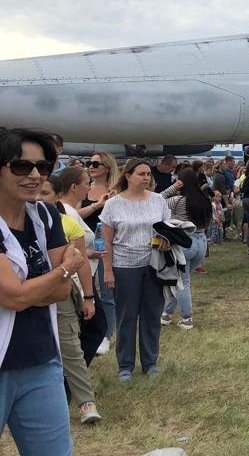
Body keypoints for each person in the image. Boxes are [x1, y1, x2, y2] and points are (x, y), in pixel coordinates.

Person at [0, 128, 81, 455]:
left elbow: (60, 293)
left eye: (43, 167)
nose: (34, 175)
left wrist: (45, 284)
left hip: (41, 360)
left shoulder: (45, 215)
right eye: (22, 167)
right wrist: (64, 269)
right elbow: (13, 296)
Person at [99, 158, 173, 382]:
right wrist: (108, 271)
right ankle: (125, 366)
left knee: (152, 315)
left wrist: (167, 241)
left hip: (153, 266)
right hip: (124, 267)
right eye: (141, 174)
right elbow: (107, 242)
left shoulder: (159, 200)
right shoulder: (113, 204)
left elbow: (168, 229)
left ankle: (150, 362)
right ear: (128, 176)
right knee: (126, 317)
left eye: (148, 174)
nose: (146, 177)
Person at [43, 170, 102, 425]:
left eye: (44, 193)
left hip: (61, 293)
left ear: (57, 196)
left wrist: (89, 296)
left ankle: (86, 402)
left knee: (70, 348)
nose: (37, 197)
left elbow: (82, 264)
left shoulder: (67, 223)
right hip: (25, 294)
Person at [160, 168, 212, 330]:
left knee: (181, 283)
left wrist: (171, 189)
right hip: (201, 242)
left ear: (180, 182)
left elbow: (156, 200)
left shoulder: (176, 200)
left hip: (183, 243)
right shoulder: (205, 200)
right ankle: (166, 314)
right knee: (183, 282)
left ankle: (186, 318)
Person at [79, 151, 118, 353]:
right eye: (90, 163)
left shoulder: (115, 191)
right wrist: (96, 205)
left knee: (106, 292)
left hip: (104, 244)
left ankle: (106, 334)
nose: (91, 166)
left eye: (96, 163)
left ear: (107, 167)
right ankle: (87, 329)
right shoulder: (85, 189)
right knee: (85, 290)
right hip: (82, 244)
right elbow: (74, 214)